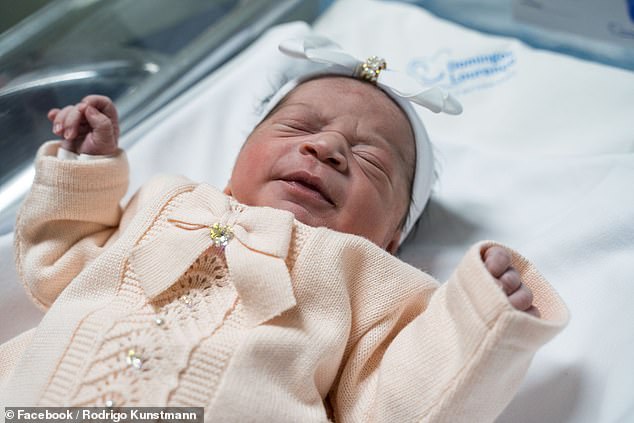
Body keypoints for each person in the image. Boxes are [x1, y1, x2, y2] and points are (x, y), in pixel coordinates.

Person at [1, 36, 568, 422]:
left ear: (391, 239)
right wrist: (85, 170)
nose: (328, 148)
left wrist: (475, 318)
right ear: (232, 170)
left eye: (371, 159)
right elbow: (59, 267)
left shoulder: (372, 279)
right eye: (298, 127)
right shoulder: (168, 199)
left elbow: (394, 402)